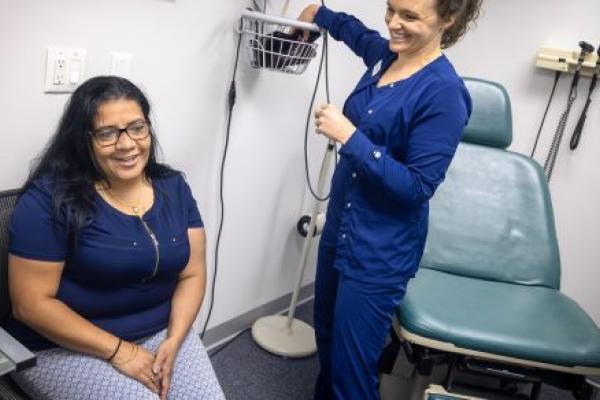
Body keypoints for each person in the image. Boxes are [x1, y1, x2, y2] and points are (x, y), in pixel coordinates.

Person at [296, 1, 482, 399]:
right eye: (391, 9)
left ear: (448, 19)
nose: (394, 23)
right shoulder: (387, 56)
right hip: (342, 232)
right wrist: (317, 13)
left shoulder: (445, 93)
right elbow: (357, 33)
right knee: (327, 341)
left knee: (352, 371)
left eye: (410, 16)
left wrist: (351, 137)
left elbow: (416, 188)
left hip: (380, 251)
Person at [4, 76, 225, 400]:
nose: (127, 144)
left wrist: (175, 340)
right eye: (108, 133)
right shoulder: (48, 200)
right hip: (62, 346)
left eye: (137, 127)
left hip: (160, 333)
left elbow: (192, 273)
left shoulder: (174, 187)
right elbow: (31, 305)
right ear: (84, 139)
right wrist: (121, 352)